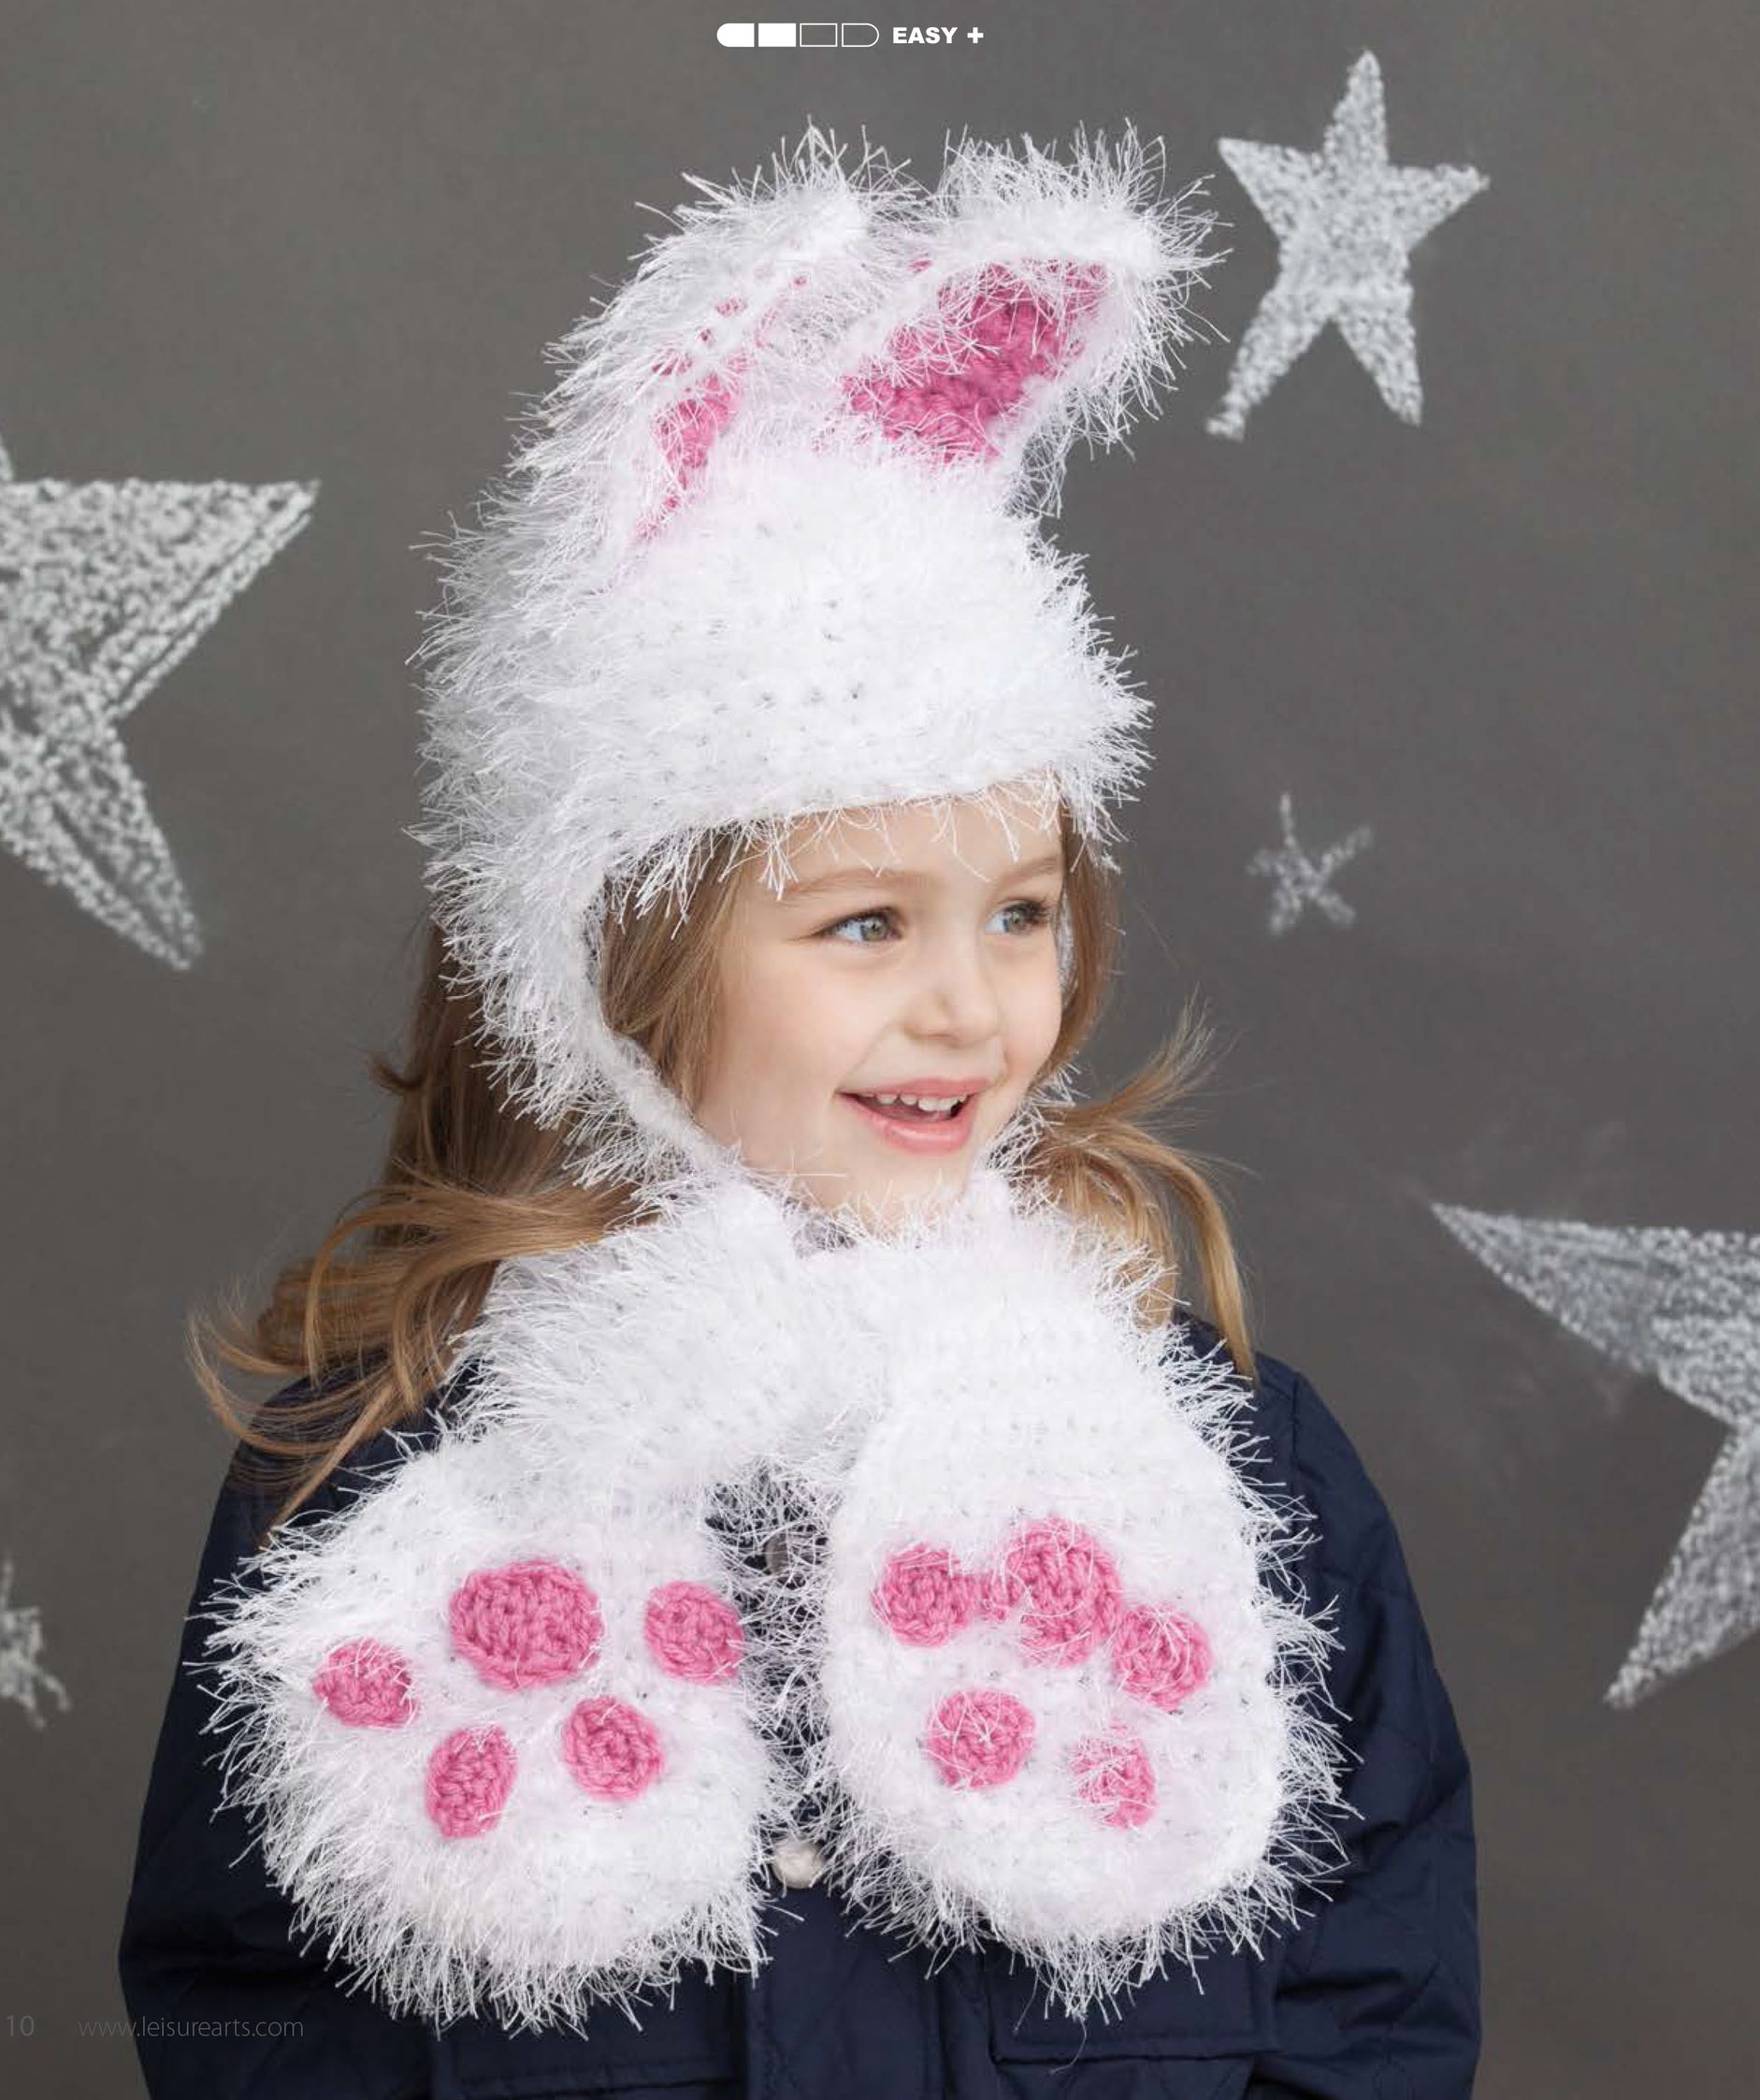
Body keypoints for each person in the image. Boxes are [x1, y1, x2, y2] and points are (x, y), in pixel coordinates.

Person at [118, 126, 1481, 2097]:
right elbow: (245, 1993)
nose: (970, 998)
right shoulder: (383, 1465)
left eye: (1021, 911)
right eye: (862, 921)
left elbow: (1371, 1974)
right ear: (614, 963)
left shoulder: (1232, 1459)